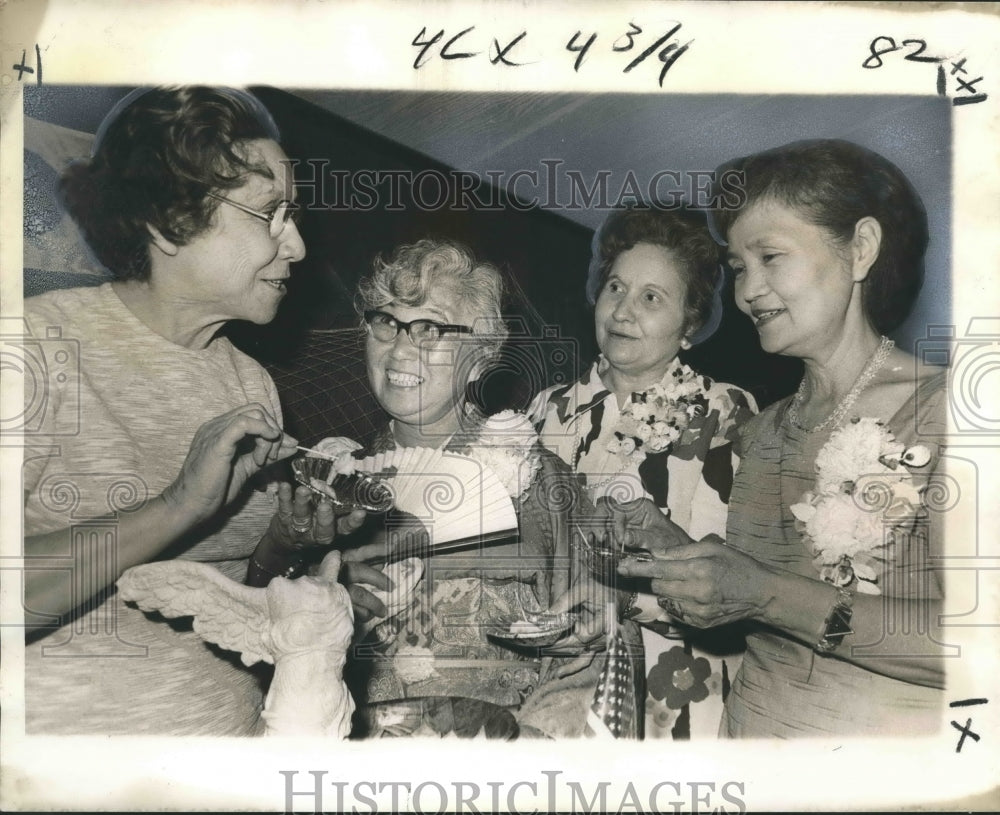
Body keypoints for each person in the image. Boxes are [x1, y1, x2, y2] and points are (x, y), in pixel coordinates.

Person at [22, 86, 359, 735]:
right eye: (270, 213)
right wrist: (178, 504)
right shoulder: (37, 348)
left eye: (294, 214)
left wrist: (286, 543)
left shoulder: (249, 383)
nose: (297, 247)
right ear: (169, 220)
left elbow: (229, 589)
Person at [616, 139, 949, 737]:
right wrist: (683, 558)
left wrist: (766, 593)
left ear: (861, 250)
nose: (746, 291)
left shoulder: (950, 413)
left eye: (771, 257)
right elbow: (757, 615)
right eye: (740, 267)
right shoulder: (762, 429)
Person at [327, 238, 597, 738]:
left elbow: (585, 648)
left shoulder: (540, 483)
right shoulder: (334, 483)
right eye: (386, 321)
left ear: (482, 353)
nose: (402, 347)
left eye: (430, 327)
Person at [531, 205, 756, 739]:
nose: (623, 311)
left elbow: (730, 580)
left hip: (670, 684)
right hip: (553, 673)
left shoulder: (723, 412)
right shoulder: (545, 410)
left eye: (651, 297)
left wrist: (625, 601)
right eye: (615, 288)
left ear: (691, 324)